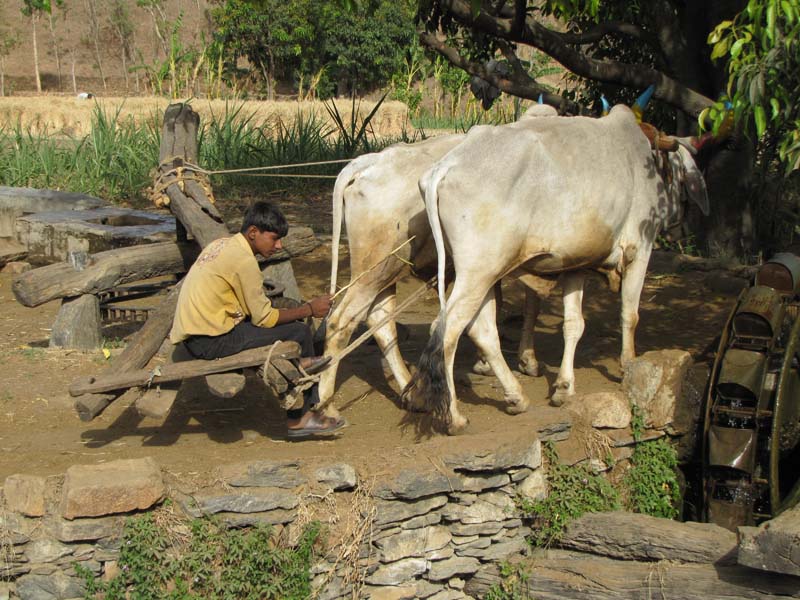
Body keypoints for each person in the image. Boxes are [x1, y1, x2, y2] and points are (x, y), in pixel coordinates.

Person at [169, 200, 345, 438]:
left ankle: (299, 365)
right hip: (211, 341)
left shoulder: (220, 245)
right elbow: (264, 318)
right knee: (300, 332)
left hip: (195, 335)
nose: (279, 245)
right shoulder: (244, 260)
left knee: (290, 324)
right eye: (274, 238)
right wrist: (309, 309)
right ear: (253, 233)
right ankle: (299, 417)